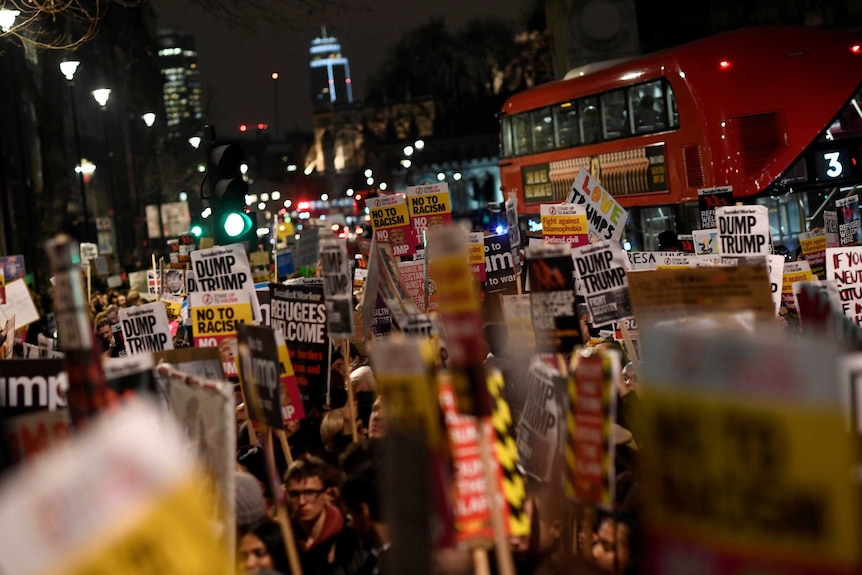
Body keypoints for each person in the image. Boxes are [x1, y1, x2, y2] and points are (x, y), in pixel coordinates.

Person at [283, 455, 362, 574]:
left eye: (309, 493)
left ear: (329, 494)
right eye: (294, 494)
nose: (301, 502)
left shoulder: (350, 539)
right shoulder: (283, 540)